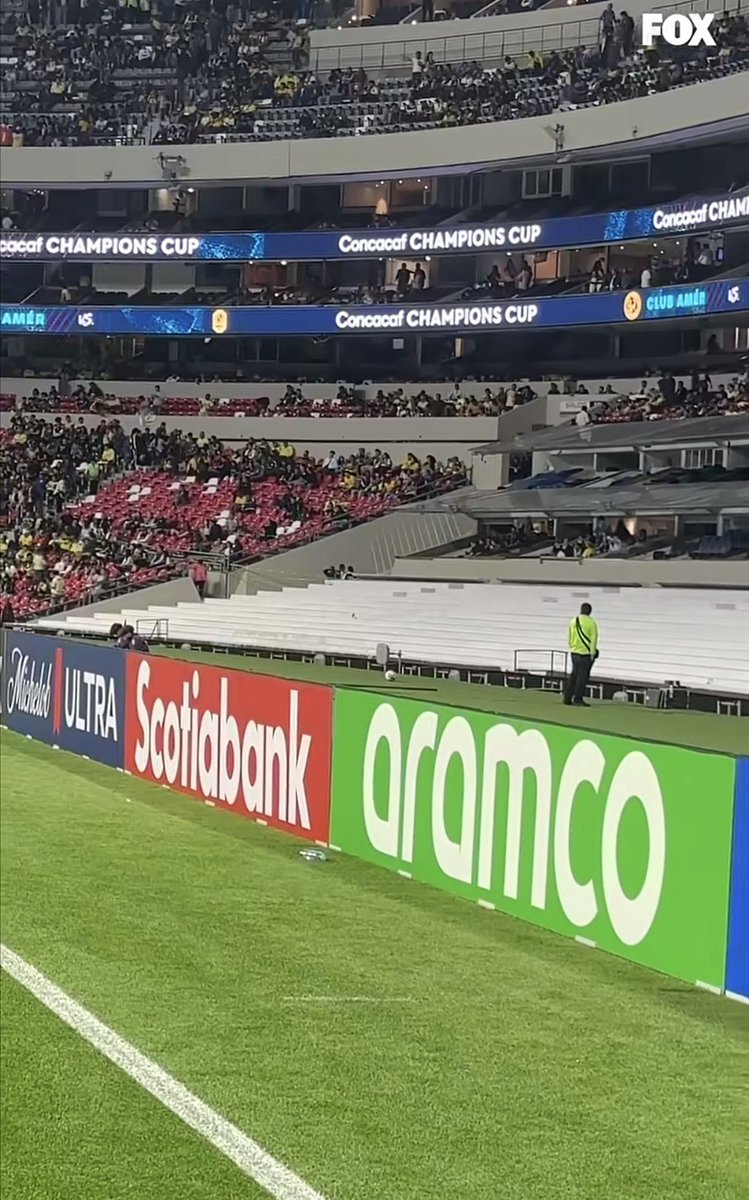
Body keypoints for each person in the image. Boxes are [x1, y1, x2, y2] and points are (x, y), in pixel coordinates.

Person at [563, 602, 599, 706]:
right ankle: (578, 698)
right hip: (585, 653)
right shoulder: (591, 623)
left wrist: (572, 646)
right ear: (590, 612)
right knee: (582, 677)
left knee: (574, 675)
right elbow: (594, 638)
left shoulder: (573, 621)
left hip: (574, 651)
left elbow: (569, 636)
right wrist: (592, 653)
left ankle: (567, 698)